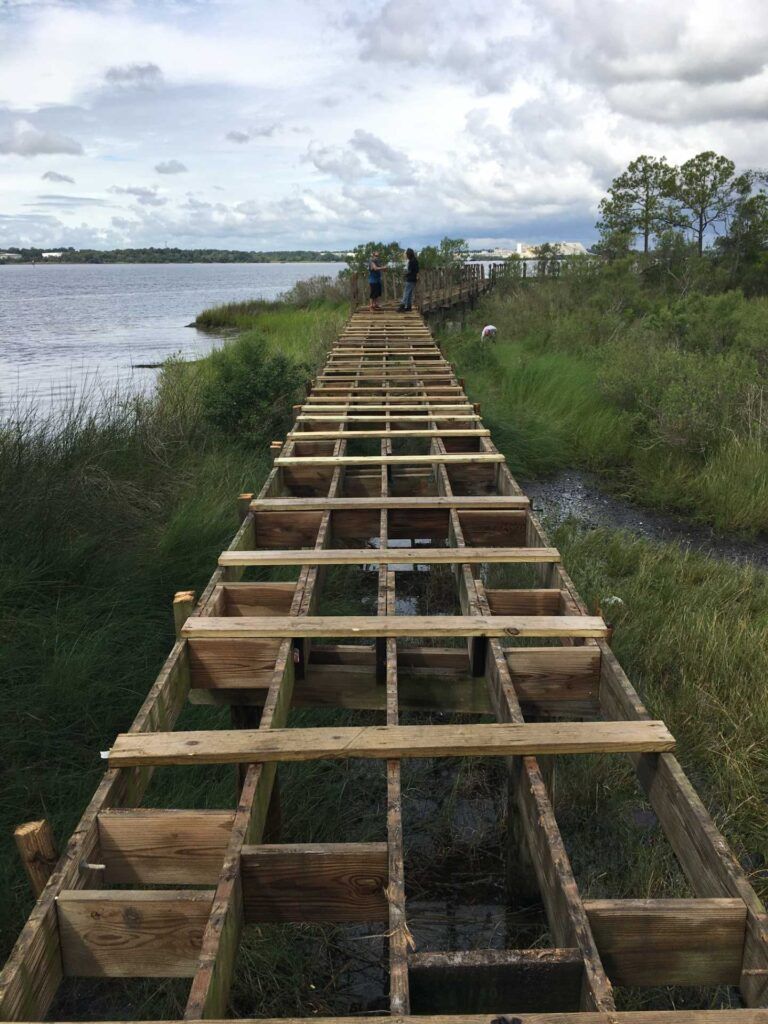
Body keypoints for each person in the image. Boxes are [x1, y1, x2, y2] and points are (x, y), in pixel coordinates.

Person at [398, 247, 419, 311]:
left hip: (410, 279)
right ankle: (409, 307)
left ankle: (402, 306)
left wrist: (405, 275)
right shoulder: (415, 260)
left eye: (407, 254)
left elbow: (410, 271)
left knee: (406, 293)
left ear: (409, 254)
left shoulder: (411, 261)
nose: (406, 255)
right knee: (409, 293)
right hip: (414, 279)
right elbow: (417, 270)